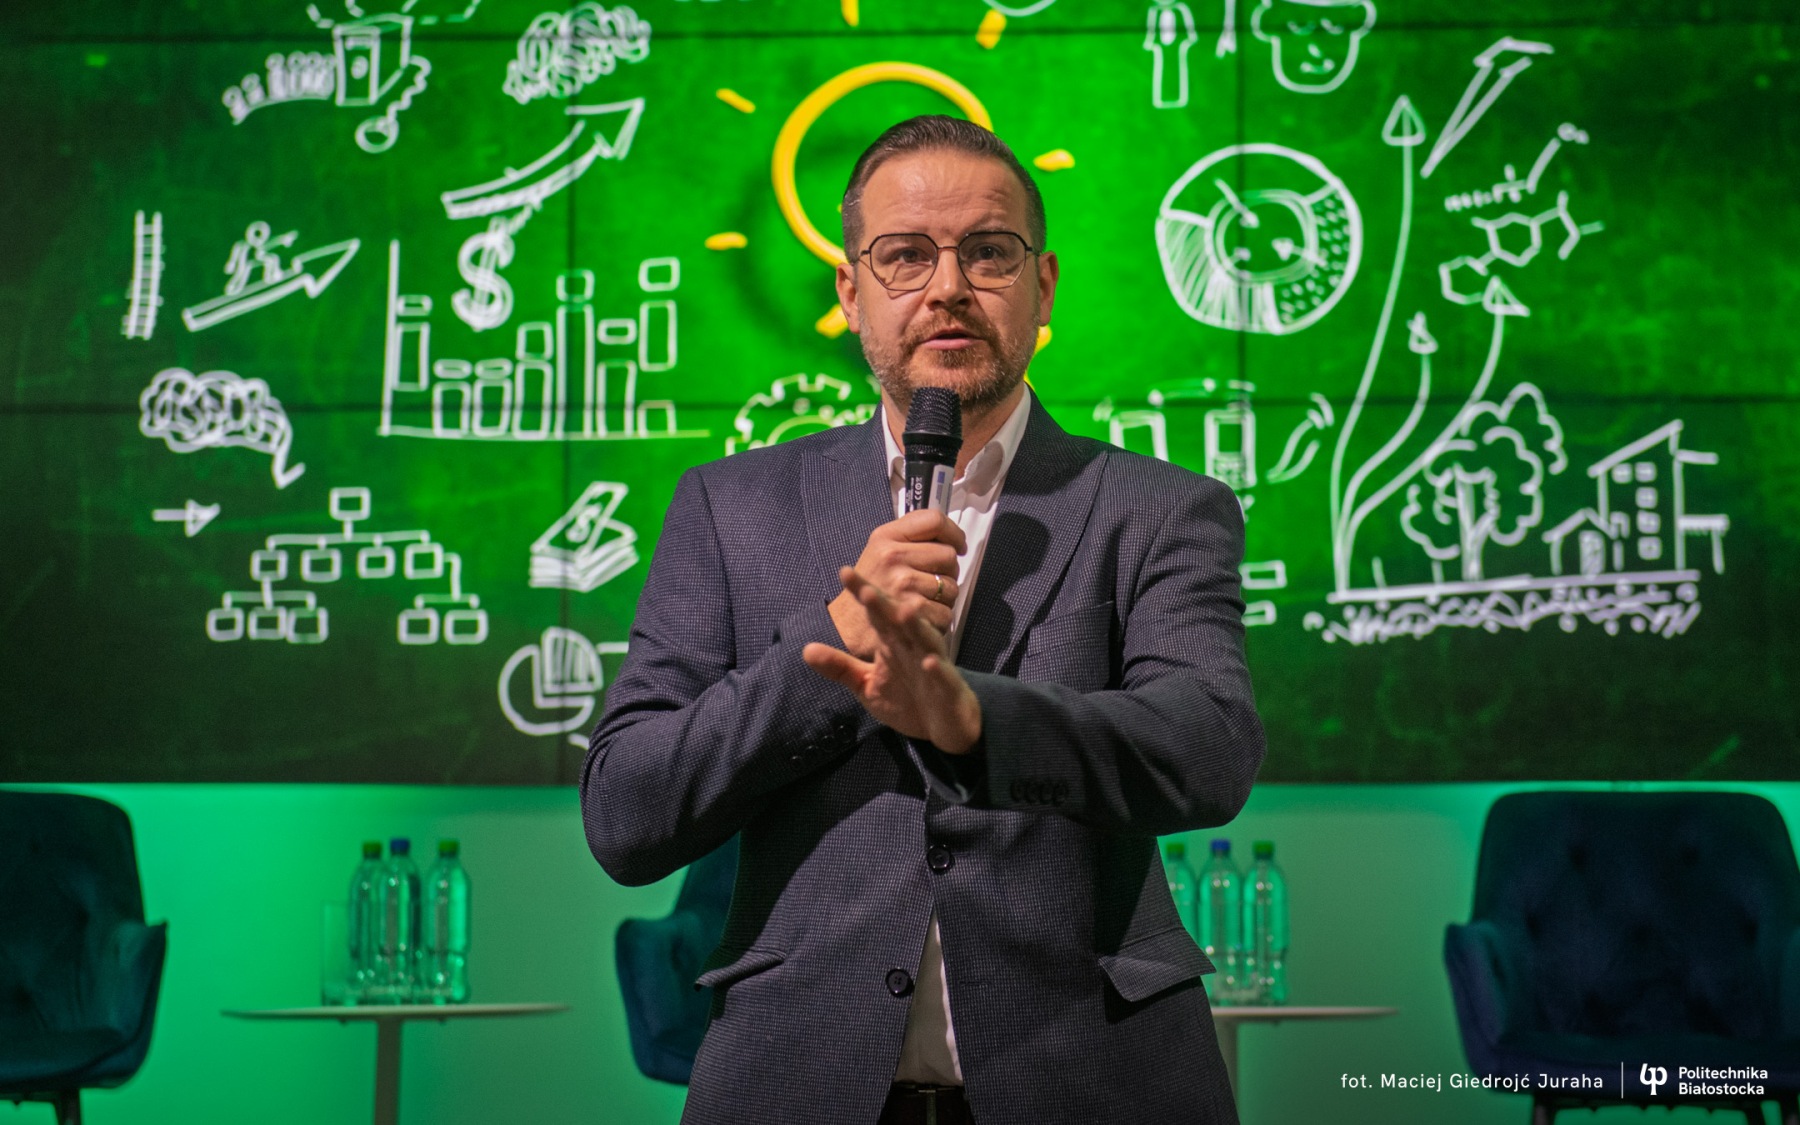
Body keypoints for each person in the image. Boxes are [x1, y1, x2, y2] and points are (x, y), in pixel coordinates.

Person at [582, 115, 1264, 1125]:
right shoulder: (731, 507)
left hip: (1093, 1078)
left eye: (988, 253)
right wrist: (827, 653)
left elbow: (1208, 749)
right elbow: (626, 813)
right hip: (795, 1081)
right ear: (850, 293)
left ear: (1043, 287)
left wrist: (975, 722)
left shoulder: (1160, 508)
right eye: (905, 255)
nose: (948, 286)